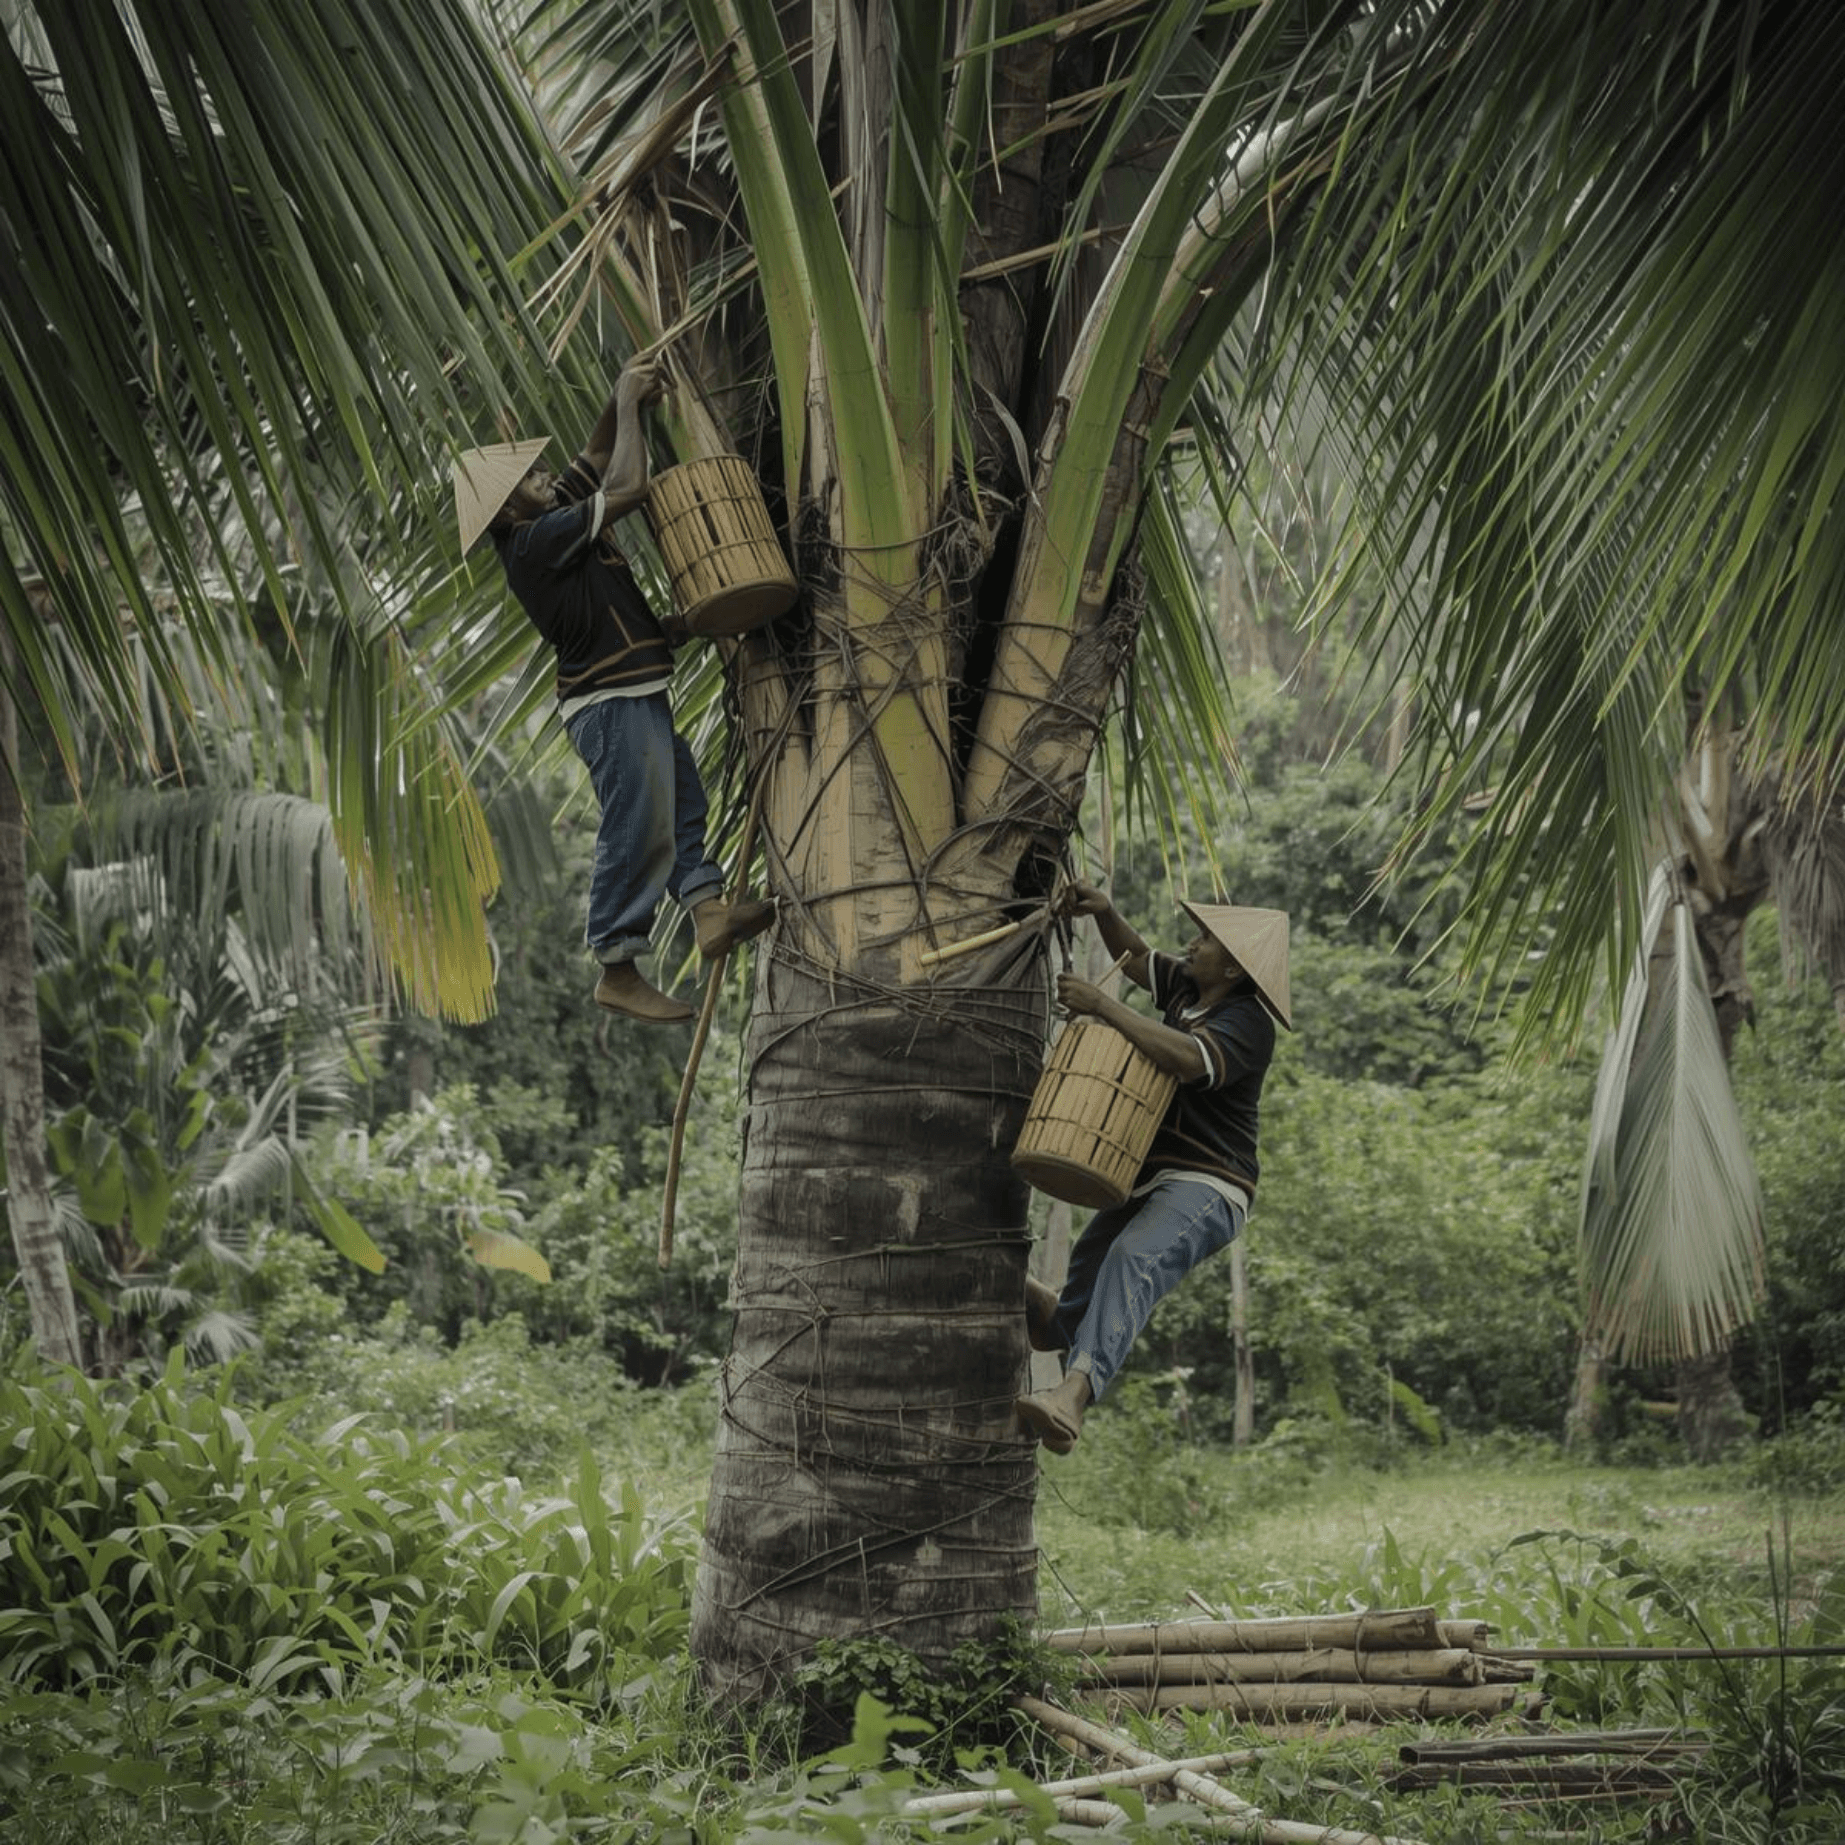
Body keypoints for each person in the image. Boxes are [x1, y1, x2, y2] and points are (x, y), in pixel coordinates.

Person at [451, 353, 772, 1023]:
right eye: (528, 476)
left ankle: (707, 910)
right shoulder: (535, 541)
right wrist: (628, 403)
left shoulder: (553, 513)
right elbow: (627, 485)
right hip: (607, 703)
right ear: (505, 512)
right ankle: (616, 963)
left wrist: (618, 389)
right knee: (638, 819)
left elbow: (596, 453)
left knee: (682, 797)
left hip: (634, 689)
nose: (545, 475)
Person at [1016, 883, 1291, 1453]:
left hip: (1210, 1184)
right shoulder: (1190, 987)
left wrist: (1103, 1007)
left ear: (1236, 970)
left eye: (1206, 940)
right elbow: (1139, 959)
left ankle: (1072, 1397)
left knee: (1131, 1259)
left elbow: (1191, 1060)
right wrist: (1106, 913)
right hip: (1148, 1177)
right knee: (1087, 1273)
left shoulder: (1247, 1023)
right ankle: (1054, 1322)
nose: (1192, 946)